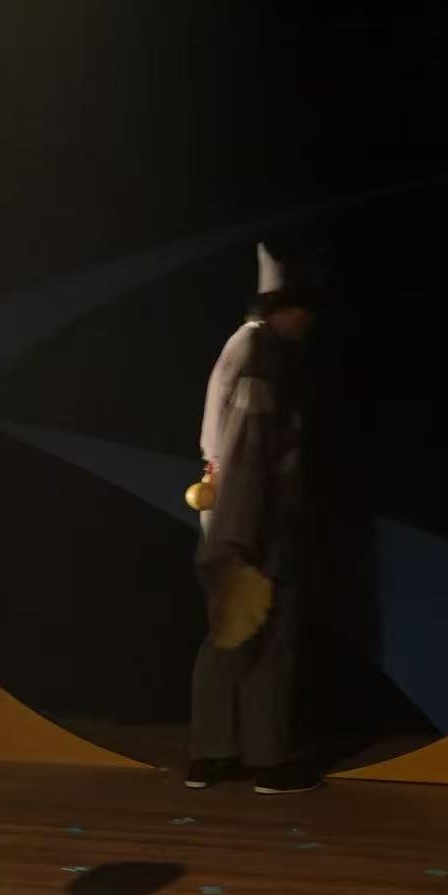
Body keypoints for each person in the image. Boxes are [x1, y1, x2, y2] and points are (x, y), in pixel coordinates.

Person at [187, 243, 325, 795]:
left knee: (231, 634)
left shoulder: (250, 348)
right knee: (263, 636)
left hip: (238, 521)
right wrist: (242, 539)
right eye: (300, 308)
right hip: (252, 525)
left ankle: (213, 753)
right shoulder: (259, 354)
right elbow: (245, 453)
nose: (307, 319)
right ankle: (264, 759)